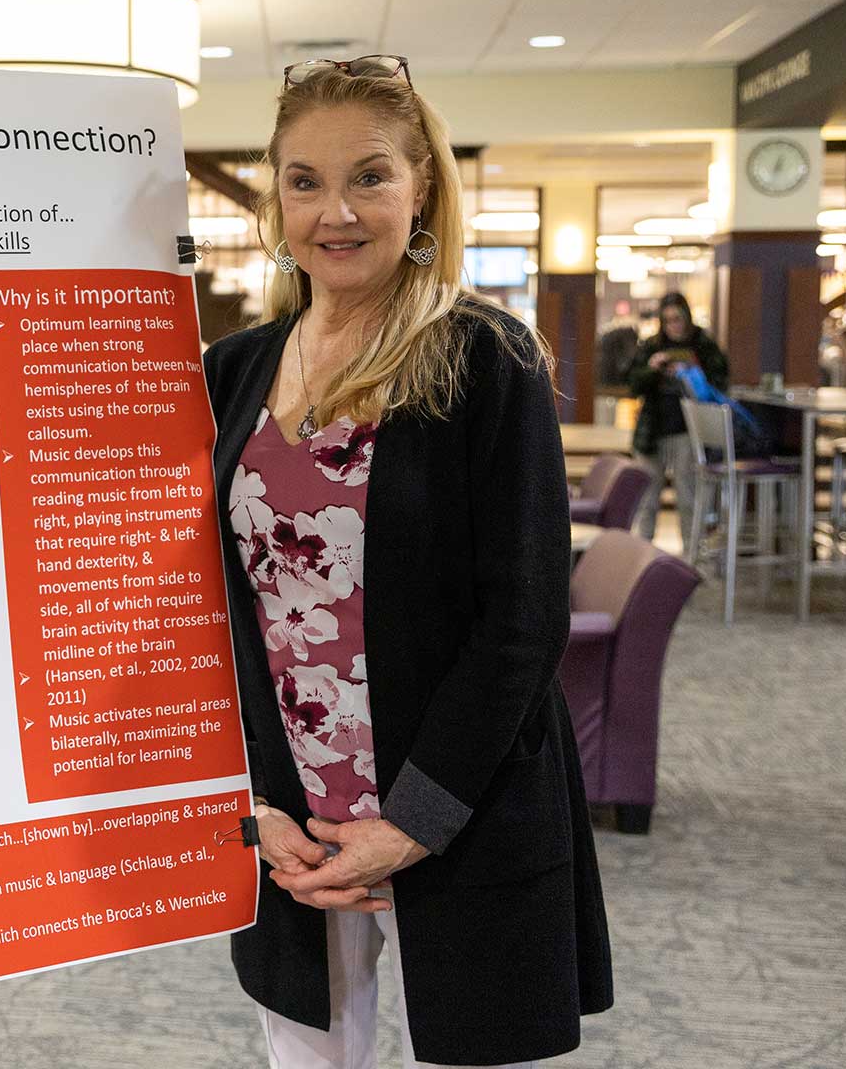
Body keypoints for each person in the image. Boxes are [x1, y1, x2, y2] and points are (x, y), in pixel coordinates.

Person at [202, 56, 611, 1067]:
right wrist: (251, 797)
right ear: (276, 200)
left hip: (452, 805)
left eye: (369, 176)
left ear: (422, 186)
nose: (335, 211)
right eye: (304, 181)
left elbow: (521, 620)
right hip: (293, 819)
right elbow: (212, 606)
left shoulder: (485, 360)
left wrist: (412, 821)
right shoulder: (234, 369)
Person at [624, 291, 728, 539]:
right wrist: (653, 369)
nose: (674, 325)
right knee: (646, 499)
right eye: (668, 319)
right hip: (653, 430)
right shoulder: (652, 345)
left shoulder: (703, 344)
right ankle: (641, 555)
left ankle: (691, 559)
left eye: (678, 318)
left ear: (687, 317)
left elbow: (720, 381)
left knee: (688, 498)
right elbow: (633, 384)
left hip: (688, 430)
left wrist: (693, 371)